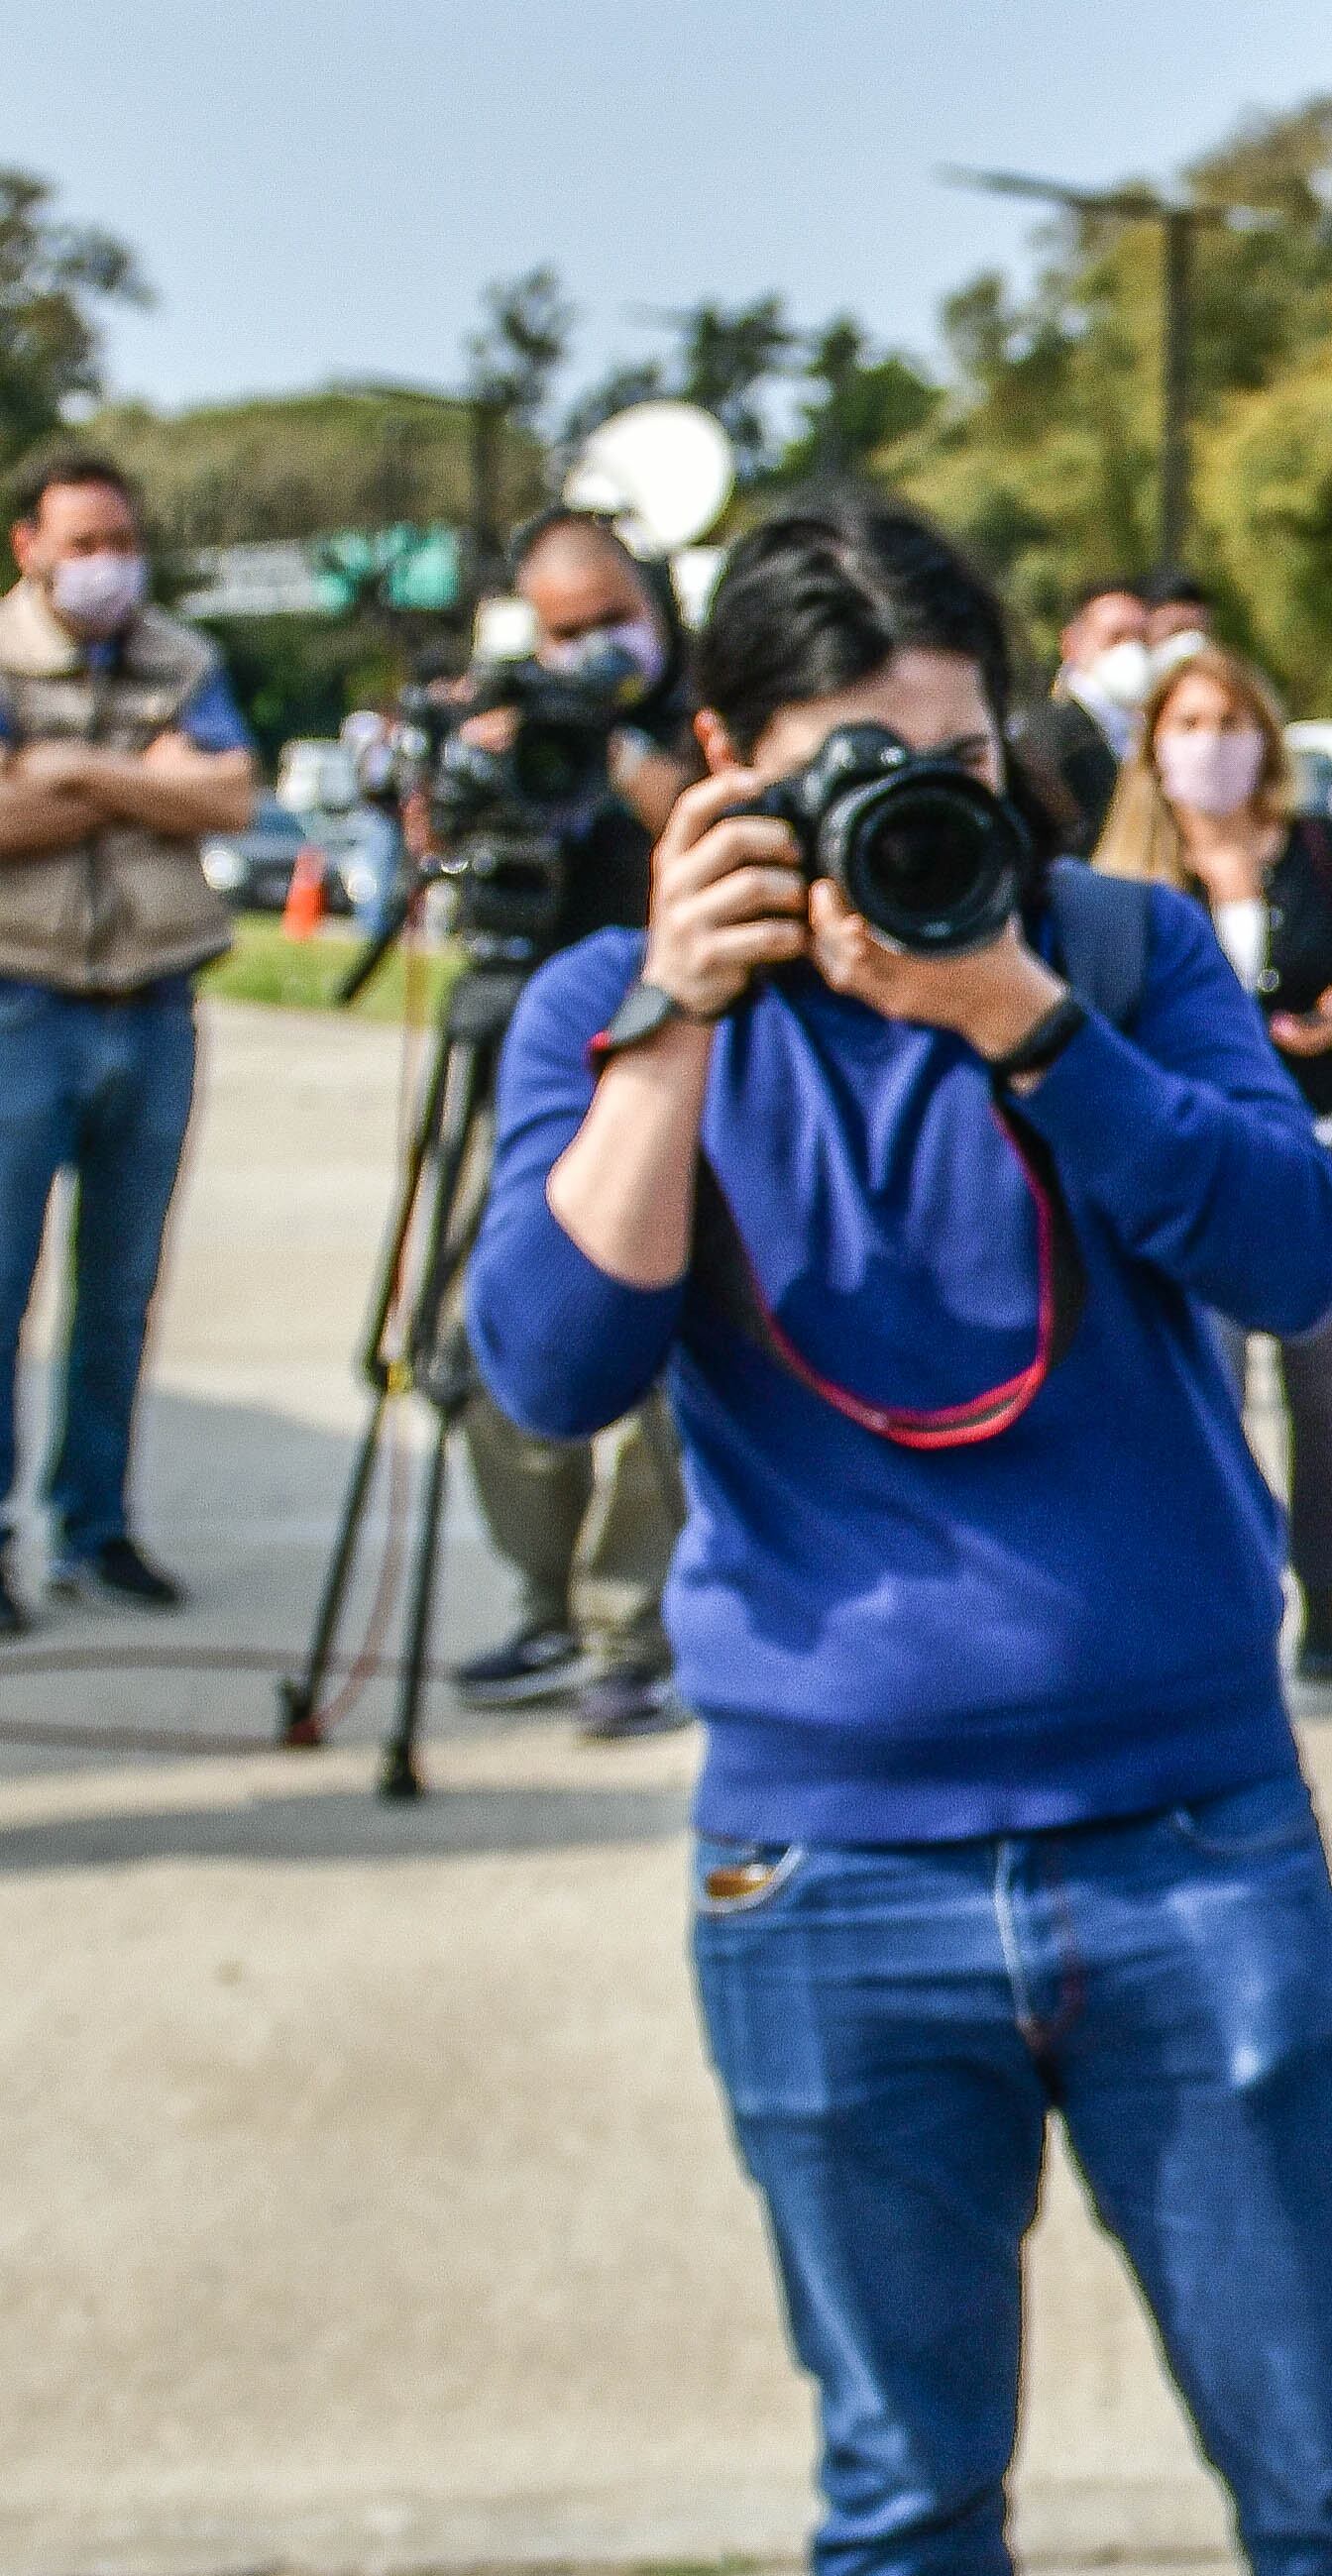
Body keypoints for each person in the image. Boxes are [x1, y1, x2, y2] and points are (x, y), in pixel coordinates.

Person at [463, 489, 1332, 2576]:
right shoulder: (625, 1002)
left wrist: (1026, 1017)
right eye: (856, 777)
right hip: (828, 1876)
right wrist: (693, 1023)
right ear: (717, 769)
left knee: (1330, 2443)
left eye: (966, 764)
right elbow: (543, 1356)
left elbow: (1306, 1251)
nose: (918, 821)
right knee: (901, 2479)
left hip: (1194, 1829)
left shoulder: (1125, 946)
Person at [1094, 642, 1332, 1684]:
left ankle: (1324, 1589)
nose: (1211, 748)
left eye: (1230, 724)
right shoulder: (1125, 878)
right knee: (1207, 1386)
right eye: (1188, 726)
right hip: (1198, 1169)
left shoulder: (1318, 850)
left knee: (1325, 1388)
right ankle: (1227, 1597)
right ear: (1152, 745)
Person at [443, 508, 702, 1741]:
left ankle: (625, 1630)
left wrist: (618, 752)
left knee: (668, 1354)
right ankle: (540, 1600)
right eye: (565, 635)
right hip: (530, 1048)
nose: (591, 649)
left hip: (676, 1044)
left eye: (613, 622)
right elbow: (454, 857)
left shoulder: (712, 704)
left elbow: (723, 834)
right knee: (486, 1336)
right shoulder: (513, 711)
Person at [0, 447, 253, 1629]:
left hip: (153, 1008)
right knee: (4, 1288)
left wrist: (73, 769)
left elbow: (230, 800)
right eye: (82, 542)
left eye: (120, 540)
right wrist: (149, 779)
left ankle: (95, 1527)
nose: (106, 564)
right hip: (24, 1004)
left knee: (119, 1295)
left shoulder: (182, 658)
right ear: (30, 546)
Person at [1003, 575, 1154, 850]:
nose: (1132, 651)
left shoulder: (1156, 730)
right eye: (1115, 637)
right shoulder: (1043, 737)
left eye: (1142, 639)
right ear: (1072, 644)